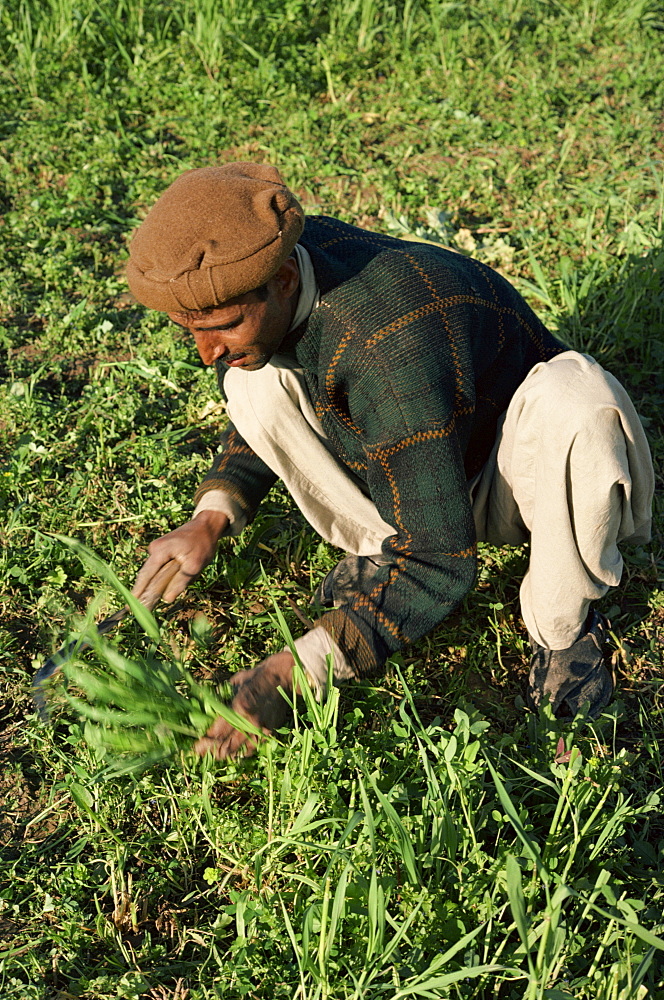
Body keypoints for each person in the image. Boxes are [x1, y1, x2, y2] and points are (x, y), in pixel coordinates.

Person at [125, 162, 654, 758]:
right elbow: (259, 389)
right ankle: (383, 552)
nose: (205, 354)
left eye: (220, 327)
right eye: (187, 329)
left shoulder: (385, 345)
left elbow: (442, 561)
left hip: (511, 476)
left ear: (282, 282)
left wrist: (287, 676)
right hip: (414, 455)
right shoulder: (274, 265)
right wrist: (212, 516)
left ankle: (562, 629)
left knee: (579, 405)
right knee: (253, 379)